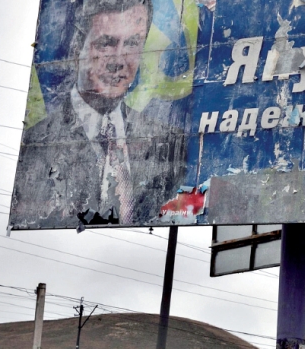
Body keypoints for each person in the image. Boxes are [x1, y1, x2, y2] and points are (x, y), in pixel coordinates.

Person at [10, 0, 187, 228]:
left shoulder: (170, 143)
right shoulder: (36, 145)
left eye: (132, 43)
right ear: (77, 47)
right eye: (106, 44)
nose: (119, 61)